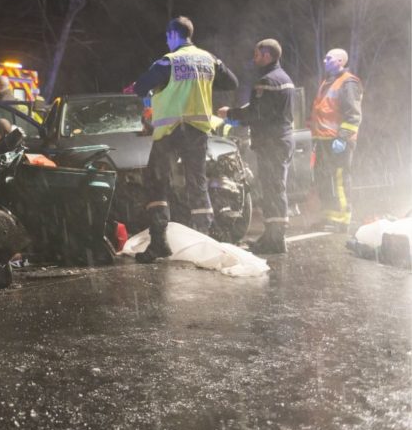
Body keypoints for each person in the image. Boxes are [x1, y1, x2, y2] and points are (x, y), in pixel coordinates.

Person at [130, 16, 239, 263]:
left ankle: (159, 242)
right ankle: (205, 243)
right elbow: (232, 83)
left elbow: (139, 87)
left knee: (157, 183)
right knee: (197, 184)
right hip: (197, 132)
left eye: (167, 37)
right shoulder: (209, 59)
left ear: (172, 35)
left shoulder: (168, 61)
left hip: (169, 132)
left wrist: (146, 90)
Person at [218, 39, 295, 254]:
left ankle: (275, 239)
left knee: (273, 188)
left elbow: (257, 114)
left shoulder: (267, 81)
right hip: (280, 140)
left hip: (273, 143)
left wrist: (230, 114)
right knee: (274, 187)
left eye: (258, 54)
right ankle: (273, 235)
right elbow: (261, 109)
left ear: (268, 55)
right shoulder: (284, 78)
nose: (255, 58)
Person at [310, 48, 363, 233]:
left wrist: (342, 137)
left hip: (338, 140)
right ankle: (329, 216)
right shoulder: (328, 82)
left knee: (339, 179)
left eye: (329, 58)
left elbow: (353, 115)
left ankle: (342, 219)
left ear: (340, 61)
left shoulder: (348, 83)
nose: (325, 60)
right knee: (325, 179)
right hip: (324, 140)